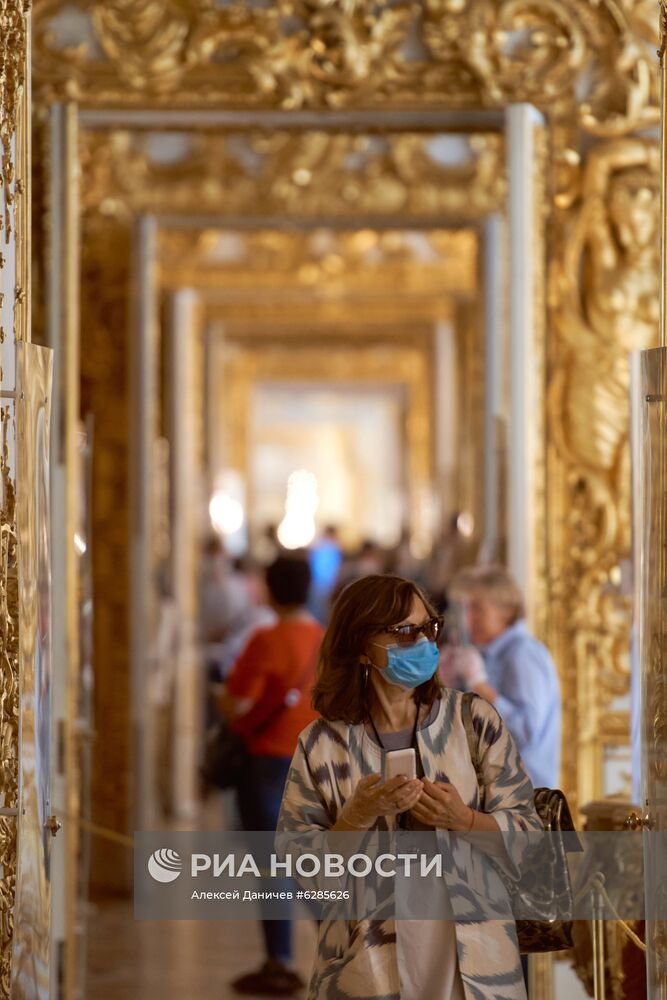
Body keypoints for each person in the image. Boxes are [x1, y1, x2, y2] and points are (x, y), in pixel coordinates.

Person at [278, 573, 541, 1000]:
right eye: (403, 631)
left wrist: (464, 819)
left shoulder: (473, 721)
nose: (421, 642)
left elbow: (530, 841)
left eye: (428, 627)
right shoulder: (321, 745)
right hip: (363, 962)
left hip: (475, 960)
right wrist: (356, 817)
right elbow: (303, 870)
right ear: (362, 645)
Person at [217, 554, 324, 996]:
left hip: (268, 764)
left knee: (273, 865)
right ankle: (344, 946)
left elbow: (238, 703)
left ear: (270, 588)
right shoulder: (325, 639)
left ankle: (279, 961)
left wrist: (221, 701)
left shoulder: (267, 639)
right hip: (316, 765)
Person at [449, 564, 561, 790]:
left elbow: (527, 733)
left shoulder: (522, 654)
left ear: (506, 610)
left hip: (525, 798)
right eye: (467, 609)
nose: (470, 619)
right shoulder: (489, 654)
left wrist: (480, 685)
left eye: (478, 609)